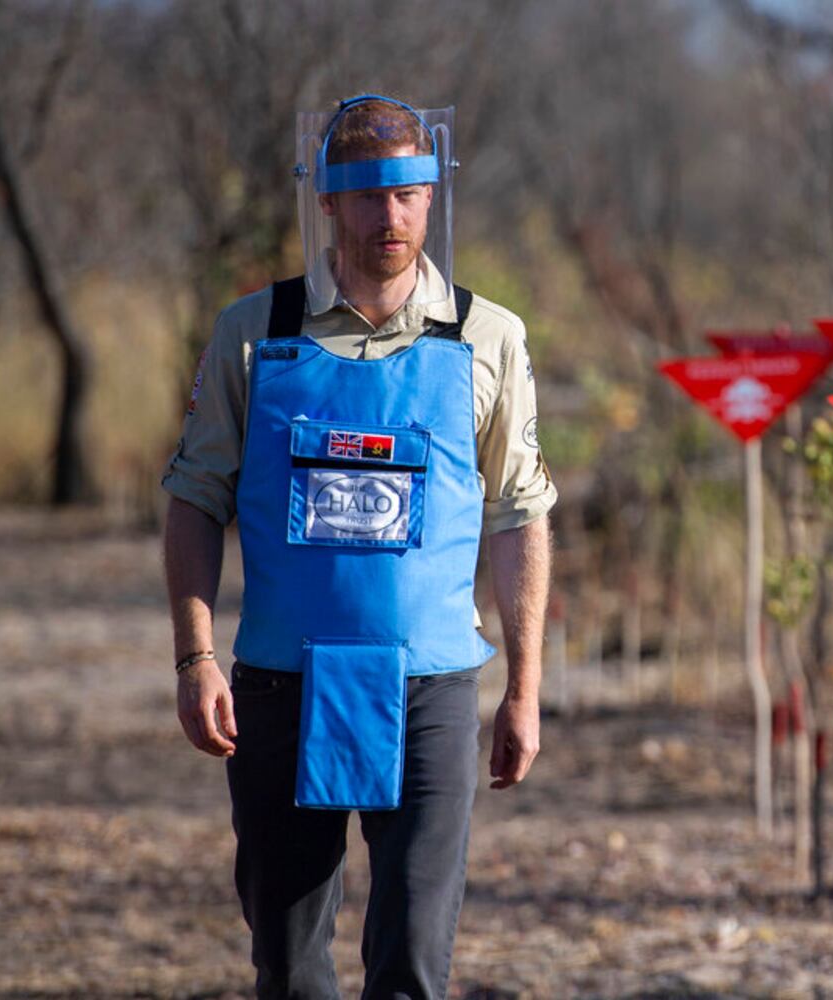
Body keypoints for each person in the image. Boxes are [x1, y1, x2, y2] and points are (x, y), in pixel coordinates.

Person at [160, 94, 555, 999]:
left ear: (433, 195)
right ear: (329, 199)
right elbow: (193, 497)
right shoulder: (256, 332)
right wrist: (195, 658)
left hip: (432, 689)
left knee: (413, 957)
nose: (391, 215)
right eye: (369, 195)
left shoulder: (487, 337)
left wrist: (525, 690)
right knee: (288, 961)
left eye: (408, 193)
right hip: (278, 686)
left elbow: (519, 514)